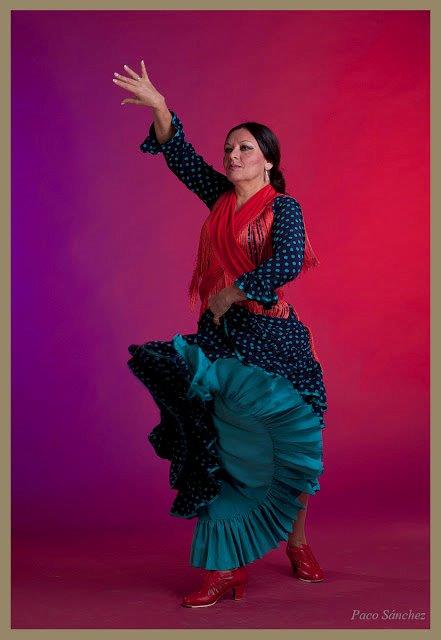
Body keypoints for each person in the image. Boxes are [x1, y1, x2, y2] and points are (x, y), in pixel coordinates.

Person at [114, 60, 328, 608]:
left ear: (269, 160)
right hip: (223, 339)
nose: (233, 155)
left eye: (245, 149)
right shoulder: (220, 199)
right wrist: (161, 109)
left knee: (292, 446)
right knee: (217, 447)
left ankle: (297, 542)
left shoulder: (284, 209)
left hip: (274, 338)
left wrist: (234, 290)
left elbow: (287, 262)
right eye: (229, 148)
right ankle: (223, 569)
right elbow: (182, 158)